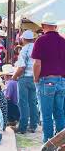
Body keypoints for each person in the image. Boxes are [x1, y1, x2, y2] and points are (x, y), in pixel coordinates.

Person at [32, 13, 65, 142]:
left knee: (46, 115)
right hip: (62, 80)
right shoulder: (63, 40)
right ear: (56, 26)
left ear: (43, 25)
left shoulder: (40, 40)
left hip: (46, 80)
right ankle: (62, 143)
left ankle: (48, 142)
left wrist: (36, 78)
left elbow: (37, 63)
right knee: (60, 113)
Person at [12, 30, 39, 134]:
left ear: (23, 39)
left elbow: (21, 67)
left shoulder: (24, 50)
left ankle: (22, 127)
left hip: (24, 78)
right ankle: (33, 125)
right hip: (35, 78)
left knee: (23, 103)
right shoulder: (37, 47)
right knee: (33, 102)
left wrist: (14, 77)